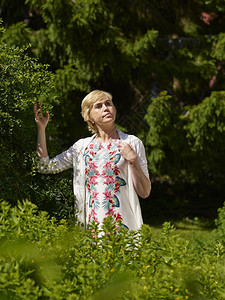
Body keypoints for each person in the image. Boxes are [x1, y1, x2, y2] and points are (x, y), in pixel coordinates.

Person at [34, 90, 151, 230]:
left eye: (108, 104)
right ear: (89, 117)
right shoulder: (81, 147)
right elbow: (45, 167)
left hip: (124, 228)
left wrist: (132, 160)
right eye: (98, 106)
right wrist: (41, 129)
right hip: (92, 230)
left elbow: (144, 192)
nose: (106, 108)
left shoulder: (132, 143)